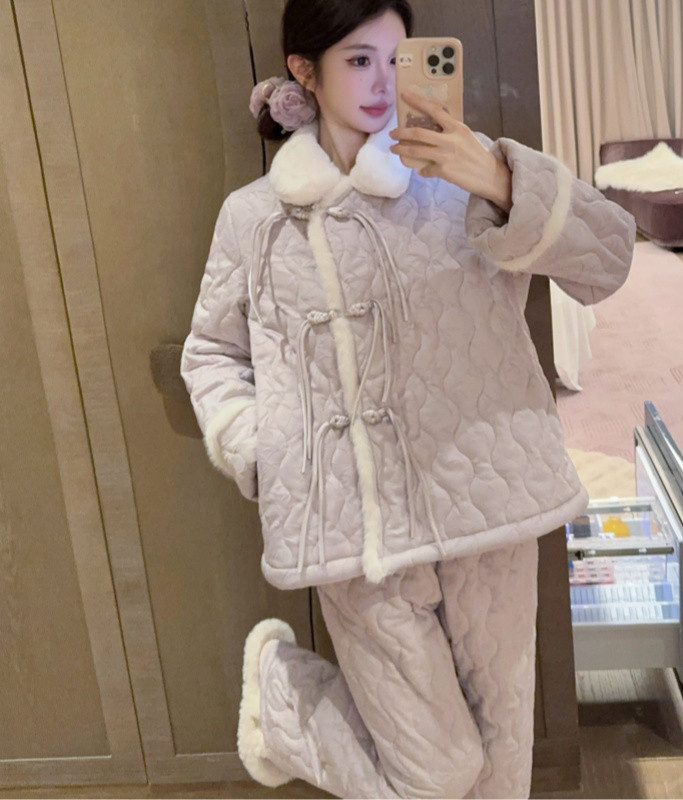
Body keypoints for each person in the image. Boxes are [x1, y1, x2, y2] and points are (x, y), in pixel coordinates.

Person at [180, 0, 636, 796]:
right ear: (304, 72)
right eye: (359, 60)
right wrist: (266, 452)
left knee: (500, 771)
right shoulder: (254, 219)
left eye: (398, 58)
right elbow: (212, 352)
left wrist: (499, 179)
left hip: (487, 516)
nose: (385, 82)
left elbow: (610, 258)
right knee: (439, 773)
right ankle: (284, 701)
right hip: (356, 539)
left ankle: (287, 713)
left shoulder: (467, 179)